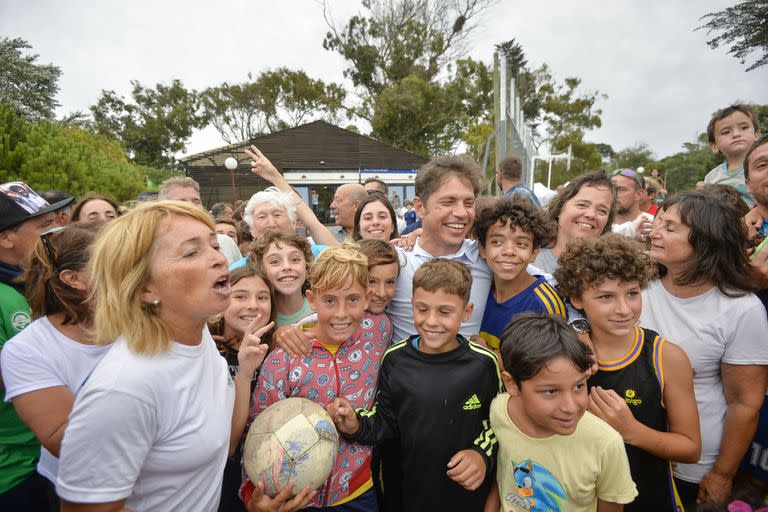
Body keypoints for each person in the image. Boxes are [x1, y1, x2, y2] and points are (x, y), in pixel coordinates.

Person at [55, 200, 274, 512]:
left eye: (214, 244)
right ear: (145, 287)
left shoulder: (201, 342)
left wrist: (245, 374)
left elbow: (222, 445)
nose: (218, 258)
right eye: (191, 252)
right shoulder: (124, 389)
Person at [326, 259, 502, 512]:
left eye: (445, 312)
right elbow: (385, 421)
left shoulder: (484, 363)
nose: (431, 321)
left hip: (464, 497)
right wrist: (355, 425)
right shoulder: (395, 359)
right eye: (422, 309)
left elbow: (500, 422)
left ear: (467, 312)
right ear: (412, 306)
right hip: (405, 495)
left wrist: (481, 454)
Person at [555, 233, 701, 510]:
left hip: (647, 497)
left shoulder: (666, 357)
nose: (624, 309)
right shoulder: (563, 351)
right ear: (576, 298)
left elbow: (691, 449)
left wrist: (631, 430)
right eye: (606, 296)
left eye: (632, 293)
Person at [641, 190, 768, 508]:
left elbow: (744, 403)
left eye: (670, 228)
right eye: (658, 223)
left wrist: (723, 473)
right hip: (624, 448)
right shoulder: (636, 283)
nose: (654, 232)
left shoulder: (741, 308)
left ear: (707, 241)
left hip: (691, 465)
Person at [240, 244, 391, 510]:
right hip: (297, 500)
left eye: (353, 300)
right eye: (330, 300)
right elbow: (257, 430)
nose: (342, 313)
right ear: (312, 298)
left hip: (359, 492)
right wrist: (254, 496)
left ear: (366, 298)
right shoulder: (284, 357)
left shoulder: (378, 331)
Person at [485, 313, 637, 511]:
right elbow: (502, 477)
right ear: (511, 384)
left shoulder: (605, 443)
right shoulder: (498, 412)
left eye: (579, 386)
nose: (570, 407)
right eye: (550, 391)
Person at [1, 223, 108, 506]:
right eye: (112, 258)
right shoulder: (27, 350)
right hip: (90, 495)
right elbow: (66, 441)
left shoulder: (150, 324)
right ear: (73, 278)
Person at [0, 181, 62, 509]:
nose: (53, 233)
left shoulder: (34, 283)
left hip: (41, 461)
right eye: (43, 227)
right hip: (10, 472)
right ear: (5, 237)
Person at [386, 154, 492, 341]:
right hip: (402, 368)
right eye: (448, 202)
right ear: (420, 207)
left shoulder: (488, 258)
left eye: (468, 203)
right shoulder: (394, 261)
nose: (461, 213)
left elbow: (542, 280)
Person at [208, 265, 276, 512]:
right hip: (223, 478)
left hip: (265, 477)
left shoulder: (277, 353)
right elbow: (229, 446)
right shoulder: (206, 352)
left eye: (262, 297)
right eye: (240, 296)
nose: (253, 305)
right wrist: (245, 373)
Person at [473, 197, 564, 354]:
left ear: (534, 253)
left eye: (521, 244)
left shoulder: (545, 305)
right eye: (497, 242)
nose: (509, 251)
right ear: (482, 249)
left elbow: (547, 370)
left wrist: (488, 354)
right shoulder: (479, 288)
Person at [532, 170, 616, 274]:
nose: (591, 214)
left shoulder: (611, 271)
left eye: (602, 210)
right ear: (559, 209)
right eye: (582, 205)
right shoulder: (527, 261)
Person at [159, 177, 243, 265]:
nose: (191, 206)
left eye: (196, 202)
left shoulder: (226, 242)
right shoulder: (156, 248)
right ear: (164, 209)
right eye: (181, 202)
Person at [250, 230, 313, 328]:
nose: (287, 267)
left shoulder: (322, 308)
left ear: (306, 266)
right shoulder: (255, 316)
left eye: (295, 259)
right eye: (275, 261)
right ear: (261, 270)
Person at [704, 104, 761, 208]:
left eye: (744, 128)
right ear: (714, 146)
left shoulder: (763, 168)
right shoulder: (711, 177)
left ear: (756, 134)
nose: (736, 134)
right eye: (726, 132)